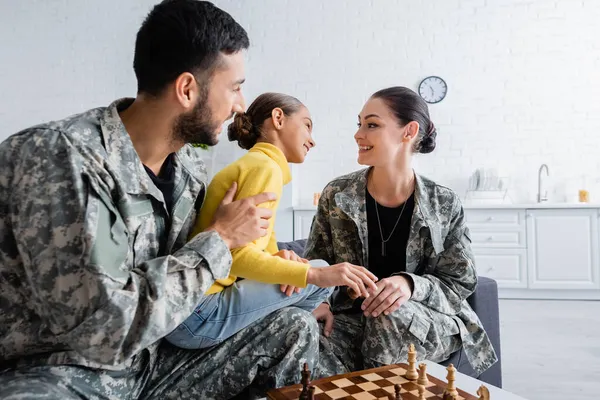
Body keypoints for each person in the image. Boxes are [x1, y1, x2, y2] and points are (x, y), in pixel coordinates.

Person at [0, 1, 320, 399]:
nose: (240, 105)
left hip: (157, 360)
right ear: (187, 89)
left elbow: (198, 278)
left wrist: (269, 261)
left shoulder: (187, 168)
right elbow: (103, 331)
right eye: (234, 87)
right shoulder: (61, 158)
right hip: (65, 371)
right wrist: (219, 241)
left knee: (293, 328)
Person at [304, 86, 498, 377]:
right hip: (352, 318)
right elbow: (316, 262)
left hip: (426, 318)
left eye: (372, 125)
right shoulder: (337, 194)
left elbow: (460, 283)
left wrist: (409, 285)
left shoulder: (443, 203)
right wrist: (317, 302)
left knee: (389, 314)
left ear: (408, 132)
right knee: (301, 333)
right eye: (359, 124)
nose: (359, 134)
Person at [165, 92, 378, 350]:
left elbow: (255, 249)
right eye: (307, 125)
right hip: (198, 316)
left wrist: (281, 258)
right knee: (322, 271)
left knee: (304, 270)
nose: (312, 141)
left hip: (189, 310)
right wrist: (313, 274)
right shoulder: (264, 168)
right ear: (278, 118)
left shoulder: (258, 165)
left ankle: (292, 321)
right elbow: (238, 257)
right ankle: (291, 327)